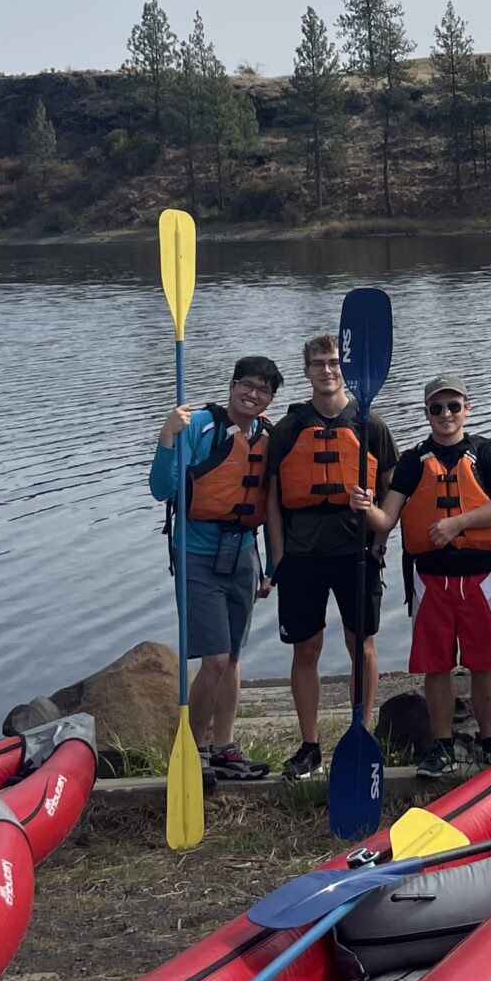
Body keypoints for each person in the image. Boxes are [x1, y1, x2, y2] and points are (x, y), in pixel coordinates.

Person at [263, 331, 403, 781]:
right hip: (303, 556)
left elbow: (394, 491)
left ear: (346, 369)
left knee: (360, 644)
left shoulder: (371, 425)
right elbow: (272, 498)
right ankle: (309, 747)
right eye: (318, 363)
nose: (327, 371)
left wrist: (380, 540)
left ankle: (360, 734)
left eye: (334, 363)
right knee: (306, 648)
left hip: (356, 554)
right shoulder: (287, 430)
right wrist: (279, 557)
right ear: (306, 371)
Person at [146, 353, 283, 781]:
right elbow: (161, 489)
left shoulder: (268, 435)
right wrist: (167, 438)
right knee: (216, 658)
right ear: (232, 385)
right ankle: (191, 748)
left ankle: (224, 748)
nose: (253, 394)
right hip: (197, 554)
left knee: (234, 657)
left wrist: (272, 565)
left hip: (243, 553)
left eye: (263, 390)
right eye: (247, 384)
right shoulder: (199, 426)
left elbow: (272, 504)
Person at [390, 374, 491, 777]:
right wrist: (364, 508)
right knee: (437, 665)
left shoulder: (486, 452)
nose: (446, 414)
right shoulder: (413, 461)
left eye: (453, 406)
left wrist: (458, 524)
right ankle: (441, 746)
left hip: (480, 578)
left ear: (467, 407)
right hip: (429, 580)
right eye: (437, 408)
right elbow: (386, 516)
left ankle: (490, 743)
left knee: (485, 663)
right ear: (426, 413)